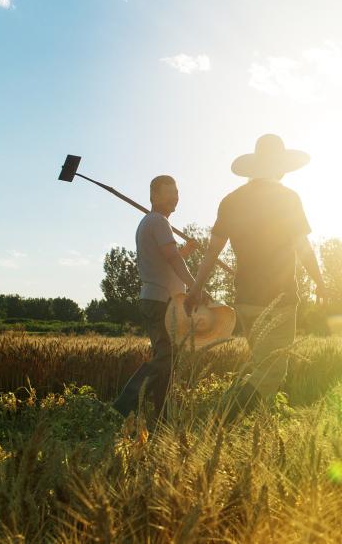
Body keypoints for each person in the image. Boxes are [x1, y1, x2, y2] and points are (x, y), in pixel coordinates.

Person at [191, 134, 326, 420]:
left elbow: (211, 252)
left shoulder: (230, 201)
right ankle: (222, 417)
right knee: (271, 371)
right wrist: (320, 282)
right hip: (279, 300)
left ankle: (255, 428)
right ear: (279, 167)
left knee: (257, 366)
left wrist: (196, 287)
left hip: (246, 300)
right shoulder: (287, 198)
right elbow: (303, 248)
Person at [112, 175, 198, 417]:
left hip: (160, 300)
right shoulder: (158, 221)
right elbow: (172, 259)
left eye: (177, 192)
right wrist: (195, 285)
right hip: (160, 302)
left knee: (167, 360)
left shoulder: (152, 222)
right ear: (153, 196)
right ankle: (124, 405)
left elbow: (168, 261)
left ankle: (161, 413)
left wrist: (185, 252)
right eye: (169, 192)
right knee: (166, 356)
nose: (175, 197)